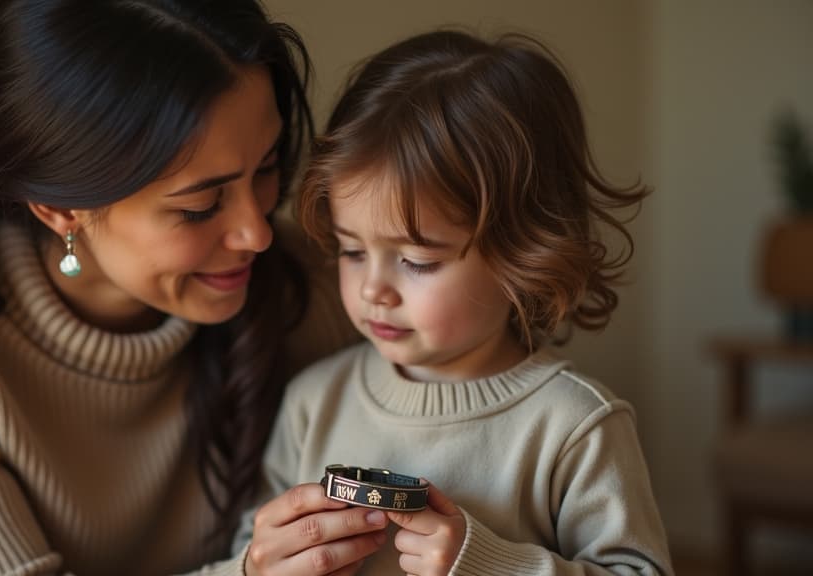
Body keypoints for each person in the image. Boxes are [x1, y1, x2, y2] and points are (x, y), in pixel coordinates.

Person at [0, 0, 393, 574]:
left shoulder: (313, 282)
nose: (257, 232)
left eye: (265, 168)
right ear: (59, 209)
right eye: (200, 206)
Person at [237, 30, 675, 575]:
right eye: (352, 251)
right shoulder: (312, 402)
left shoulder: (575, 425)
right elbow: (250, 544)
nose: (374, 288)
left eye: (417, 261)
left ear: (525, 255)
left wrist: (491, 565)